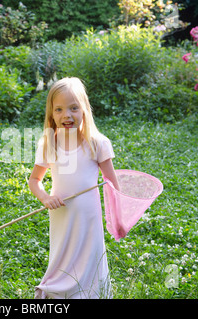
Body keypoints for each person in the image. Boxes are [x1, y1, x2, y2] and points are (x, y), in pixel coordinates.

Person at [28, 77, 122, 299]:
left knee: (90, 255)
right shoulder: (49, 143)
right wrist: (44, 197)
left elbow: (112, 185)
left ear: (84, 110)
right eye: (59, 109)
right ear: (51, 113)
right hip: (61, 212)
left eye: (73, 108)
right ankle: (60, 291)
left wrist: (119, 219)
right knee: (63, 256)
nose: (66, 115)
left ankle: (90, 294)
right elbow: (34, 180)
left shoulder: (97, 143)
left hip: (88, 214)